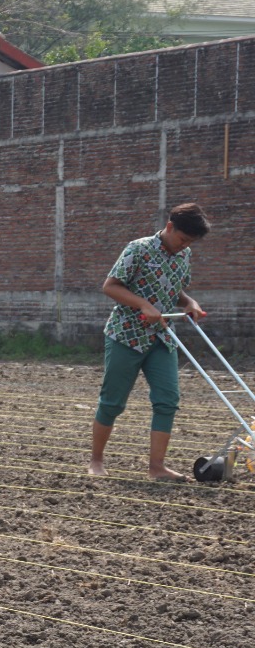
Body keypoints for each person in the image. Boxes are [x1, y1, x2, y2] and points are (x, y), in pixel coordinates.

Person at [89, 203, 210, 481]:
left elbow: (175, 289)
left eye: (190, 243)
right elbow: (111, 286)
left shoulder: (184, 255)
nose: (184, 246)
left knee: (167, 400)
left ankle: (157, 467)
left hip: (161, 338)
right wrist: (143, 304)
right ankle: (96, 460)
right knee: (112, 402)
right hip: (126, 335)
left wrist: (190, 302)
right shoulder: (139, 248)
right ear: (170, 227)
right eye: (182, 239)